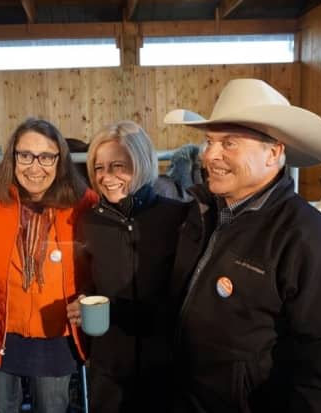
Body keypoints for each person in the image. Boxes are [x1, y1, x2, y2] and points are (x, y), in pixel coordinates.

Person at [163, 78, 321, 413]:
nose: (209, 155)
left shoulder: (313, 243)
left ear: (273, 153)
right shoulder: (202, 215)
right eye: (209, 141)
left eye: (228, 143)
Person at [0, 118, 97, 413]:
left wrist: (89, 299)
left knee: (52, 407)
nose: (35, 167)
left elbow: (99, 268)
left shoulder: (83, 204)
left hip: (56, 333)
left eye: (46, 157)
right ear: (12, 157)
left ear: (60, 160)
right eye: (25, 155)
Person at [66, 120, 188, 412]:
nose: (107, 177)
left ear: (141, 161)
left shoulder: (177, 217)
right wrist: (84, 297)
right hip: (108, 367)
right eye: (99, 167)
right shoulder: (90, 221)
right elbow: (90, 280)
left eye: (118, 166)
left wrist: (115, 310)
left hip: (164, 367)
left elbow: (184, 299)